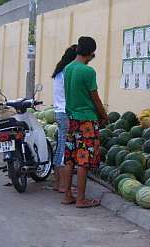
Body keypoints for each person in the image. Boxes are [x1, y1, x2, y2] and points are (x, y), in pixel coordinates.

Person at [62, 36, 108, 208]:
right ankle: (81, 199)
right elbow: (95, 97)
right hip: (87, 120)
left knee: (70, 159)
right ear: (90, 53)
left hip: (72, 119)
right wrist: (103, 115)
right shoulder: (88, 71)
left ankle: (67, 195)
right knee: (84, 161)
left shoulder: (68, 68)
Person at [52, 44, 77, 192]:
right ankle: (62, 185)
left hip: (59, 112)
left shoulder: (59, 72)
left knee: (61, 146)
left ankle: (58, 183)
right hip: (65, 113)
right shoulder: (68, 72)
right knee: (64, 149)